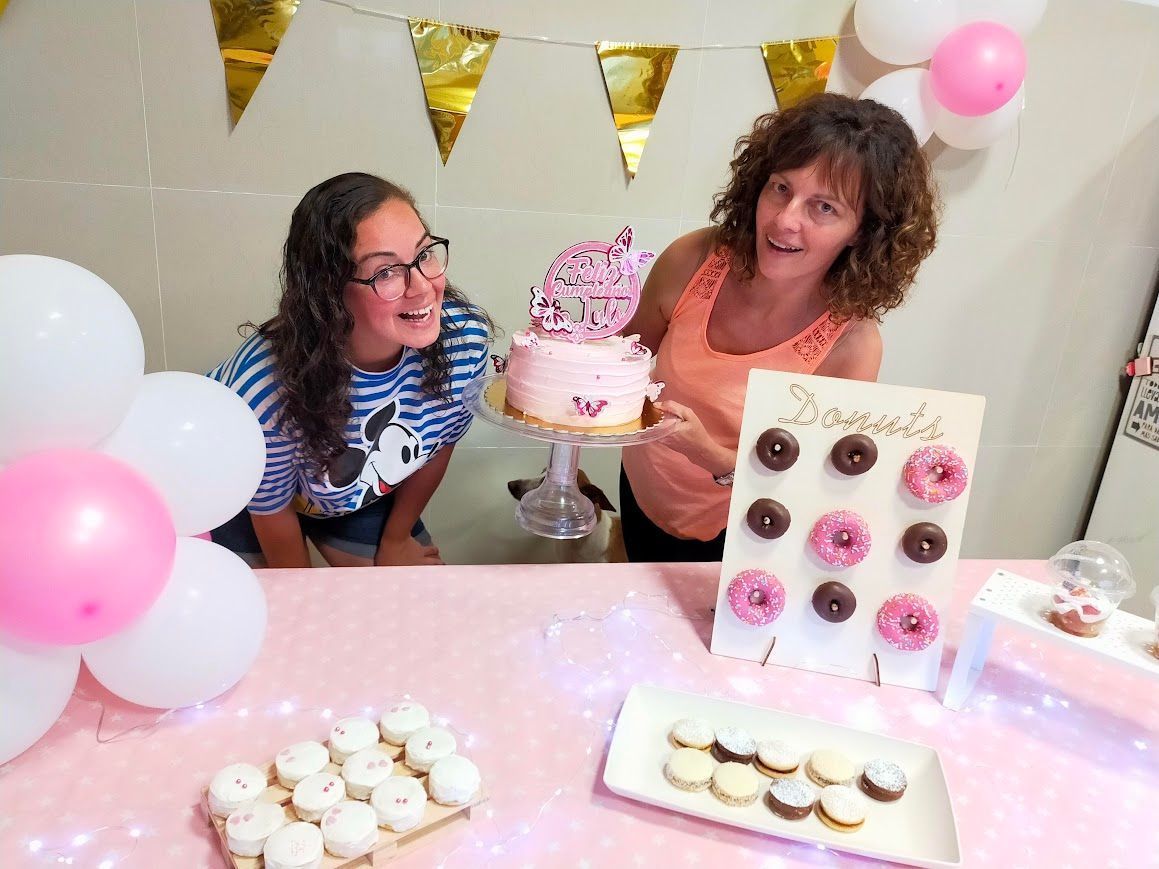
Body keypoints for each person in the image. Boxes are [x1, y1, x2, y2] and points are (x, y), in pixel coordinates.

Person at [620, 93, 939, 563]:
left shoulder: (851, 344)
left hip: (746, 532)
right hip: (641, 496)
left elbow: (814, 488)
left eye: (824, 207)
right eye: (781, 188)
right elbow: (626, 363)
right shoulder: (691, 260)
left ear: (864, 230)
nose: (785, 220)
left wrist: (711, 455)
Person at [208, 172, 492, 568]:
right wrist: (306, 608)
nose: (423, 288)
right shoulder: (262, 392)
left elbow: (440, 445)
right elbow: (270, 510)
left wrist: (395, 540)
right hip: (247, 506)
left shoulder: (463, 340)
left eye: (424, 254)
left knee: (414, 603)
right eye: (385, 272)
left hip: (349, 499)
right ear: (328, 291)